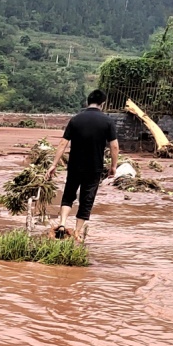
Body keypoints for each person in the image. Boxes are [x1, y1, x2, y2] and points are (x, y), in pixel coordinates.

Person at [46, 89, 120, 242]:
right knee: (87, 199)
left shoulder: (75, 120)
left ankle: (62, 224)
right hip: (94, 167)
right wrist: (113, 166)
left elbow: (63, 143)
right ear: (103, 104)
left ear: (87, 102)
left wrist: (54, 164)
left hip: (74, 165)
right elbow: (114, 147)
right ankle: (77, 232)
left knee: (69, 195)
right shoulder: (107, 121)